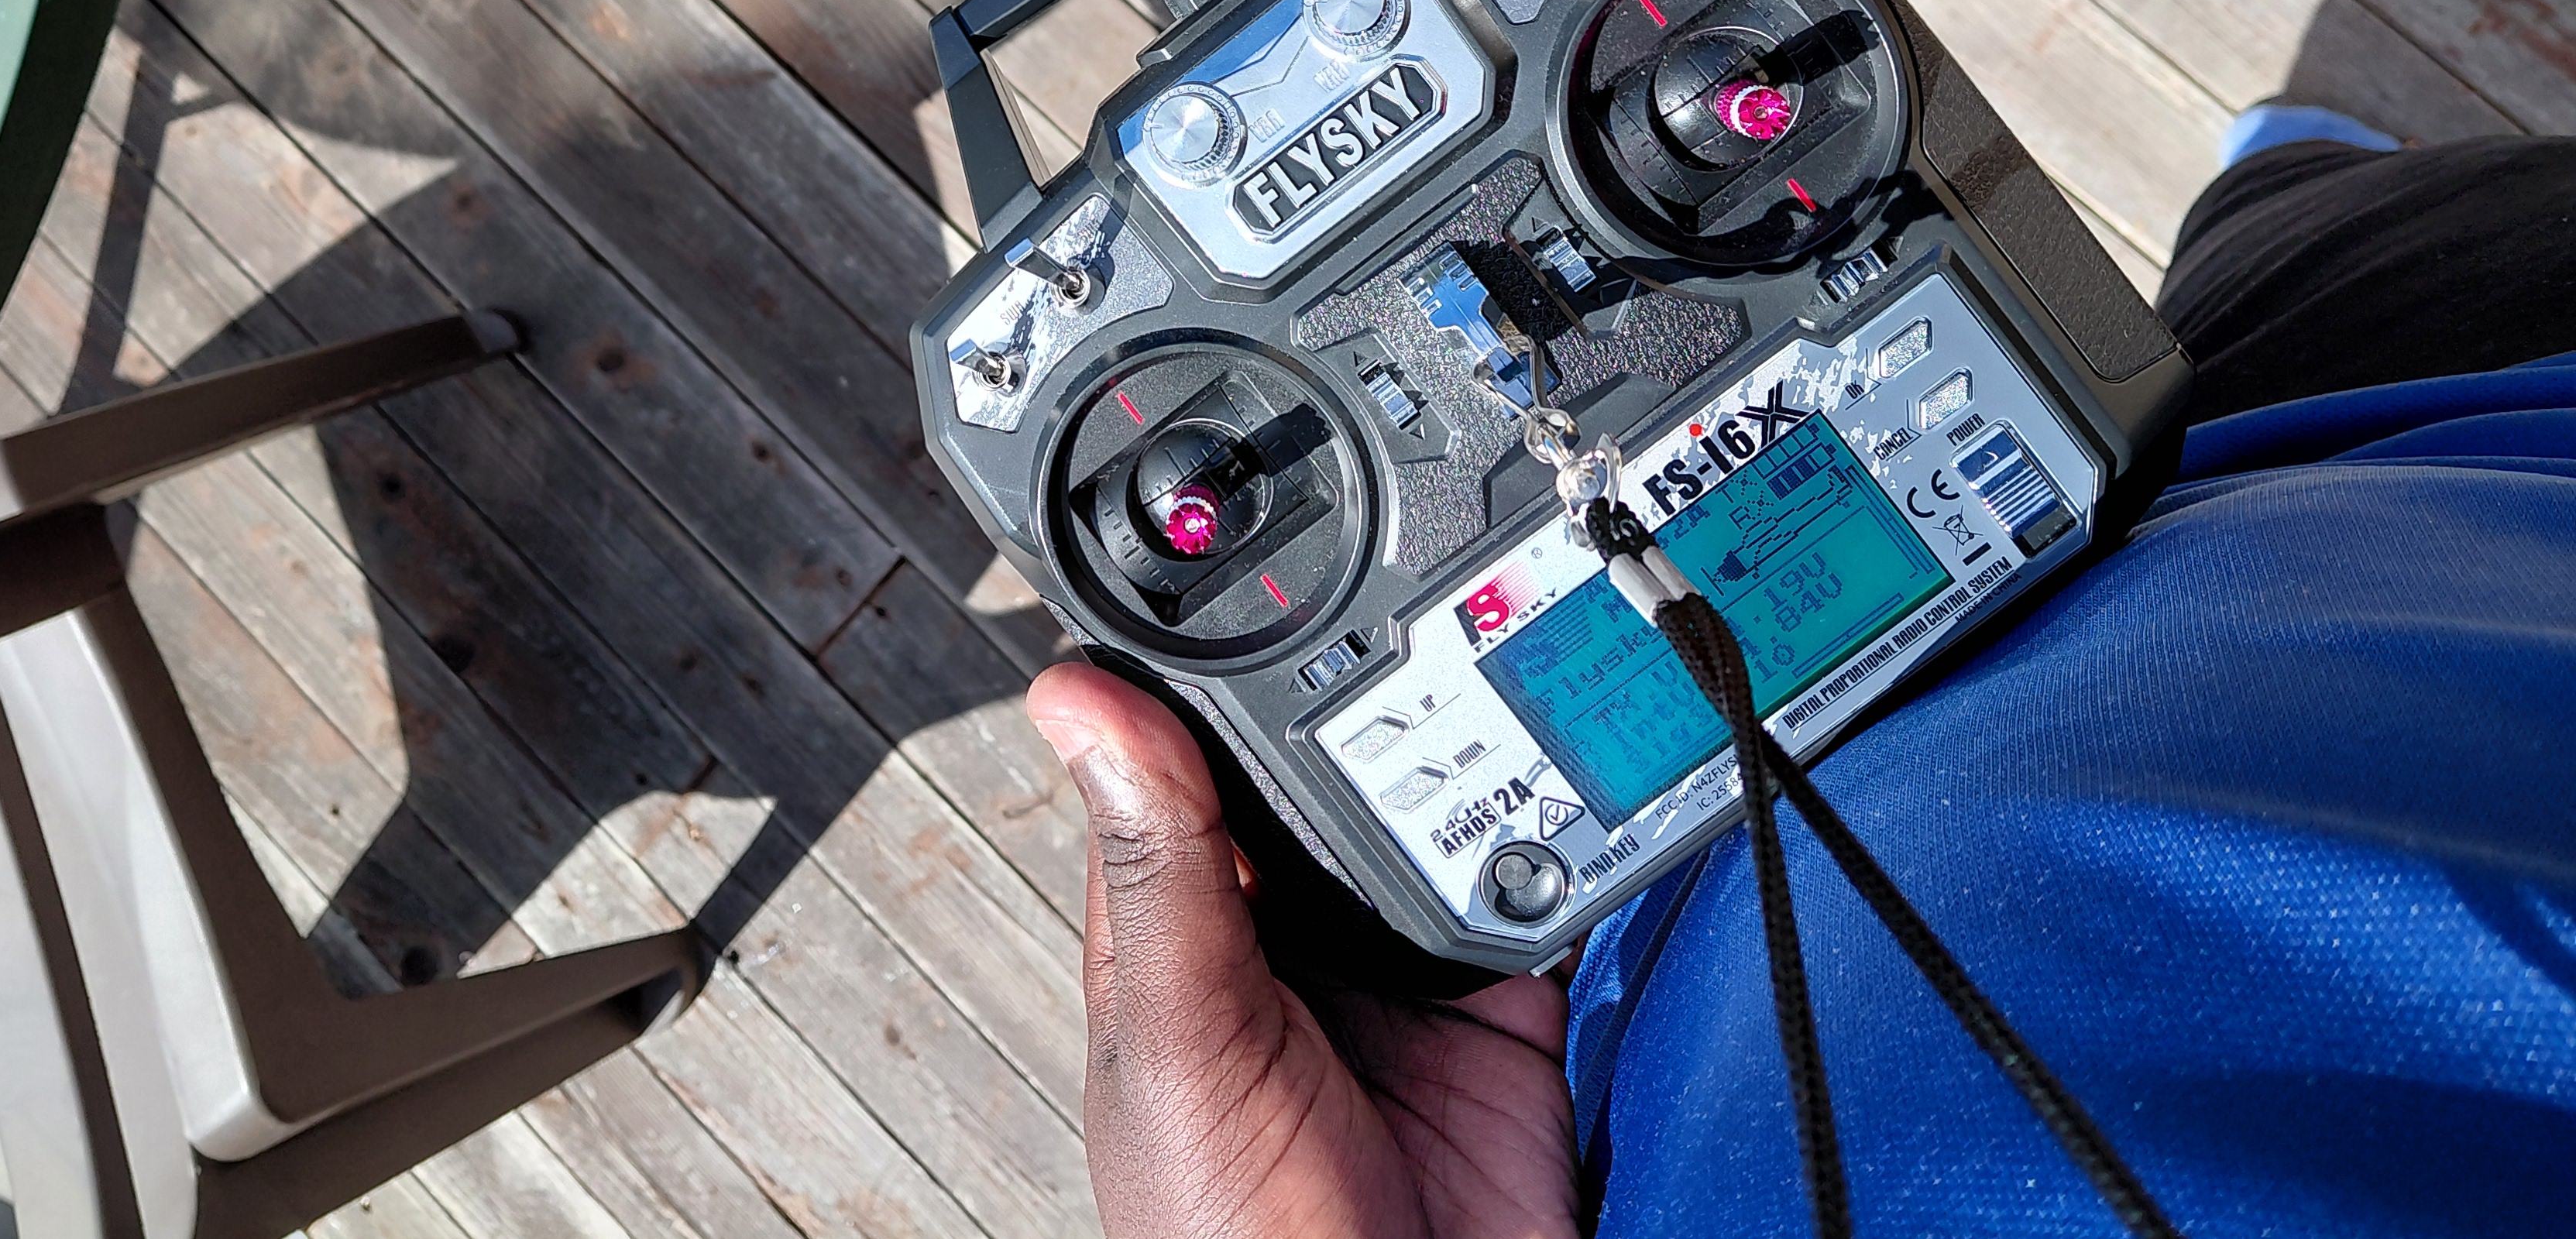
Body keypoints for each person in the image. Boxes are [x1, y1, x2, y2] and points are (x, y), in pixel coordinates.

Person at [1025, 112, 2576, 1237]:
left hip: (1636, 954)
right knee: (2324, 235)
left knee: (2281, 242)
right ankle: (2287, 174)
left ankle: (2282, 175)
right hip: (2448, 442)